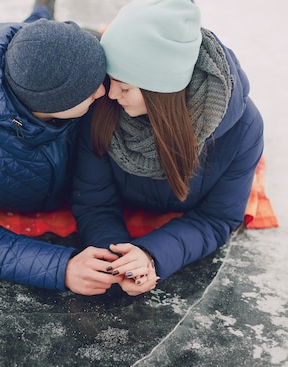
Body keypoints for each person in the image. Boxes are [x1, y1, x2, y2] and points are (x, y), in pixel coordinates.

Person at [0, 0, 122, 295]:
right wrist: (62, 268)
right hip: (29, 198)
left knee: (40, 23)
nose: (105, 91)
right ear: (53, 103)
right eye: (91, 87)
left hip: (56, 64)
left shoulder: (48, 57)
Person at [71, 0, 265, 296]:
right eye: (112, 80)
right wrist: (118, 260)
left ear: (161, 89)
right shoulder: (104, 106)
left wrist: (152, 257)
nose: (110, 93)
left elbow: (218, 218)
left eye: (124, 87)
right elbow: (94, 202)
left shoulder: (243, 129)